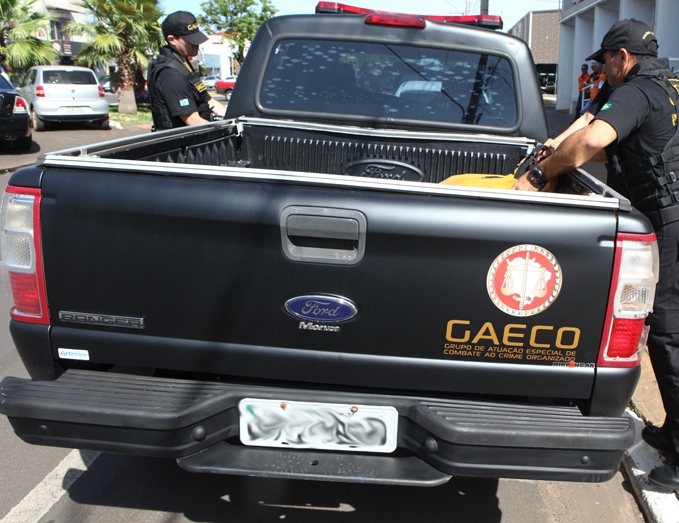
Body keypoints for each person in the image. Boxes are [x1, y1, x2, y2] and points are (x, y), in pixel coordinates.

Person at [514, 19, 679, 490]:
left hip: (667, 221)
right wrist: (562, 147)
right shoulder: (664, 86)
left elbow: (591, 143)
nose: (602, 71)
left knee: (667, 334)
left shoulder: (633, 92)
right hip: (670, 216)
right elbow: (616, 147)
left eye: (605, 61)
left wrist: (544, 175)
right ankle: (672, 431)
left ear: (622, 58)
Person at [147, 11, 225, 131]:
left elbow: (208, 100)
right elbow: (193, 121)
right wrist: (225, 130)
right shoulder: (170, 74)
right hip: (179, 145)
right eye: (191, 40)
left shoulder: (182, 64)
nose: (197, 44)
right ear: (172, 40)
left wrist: (233, 118)